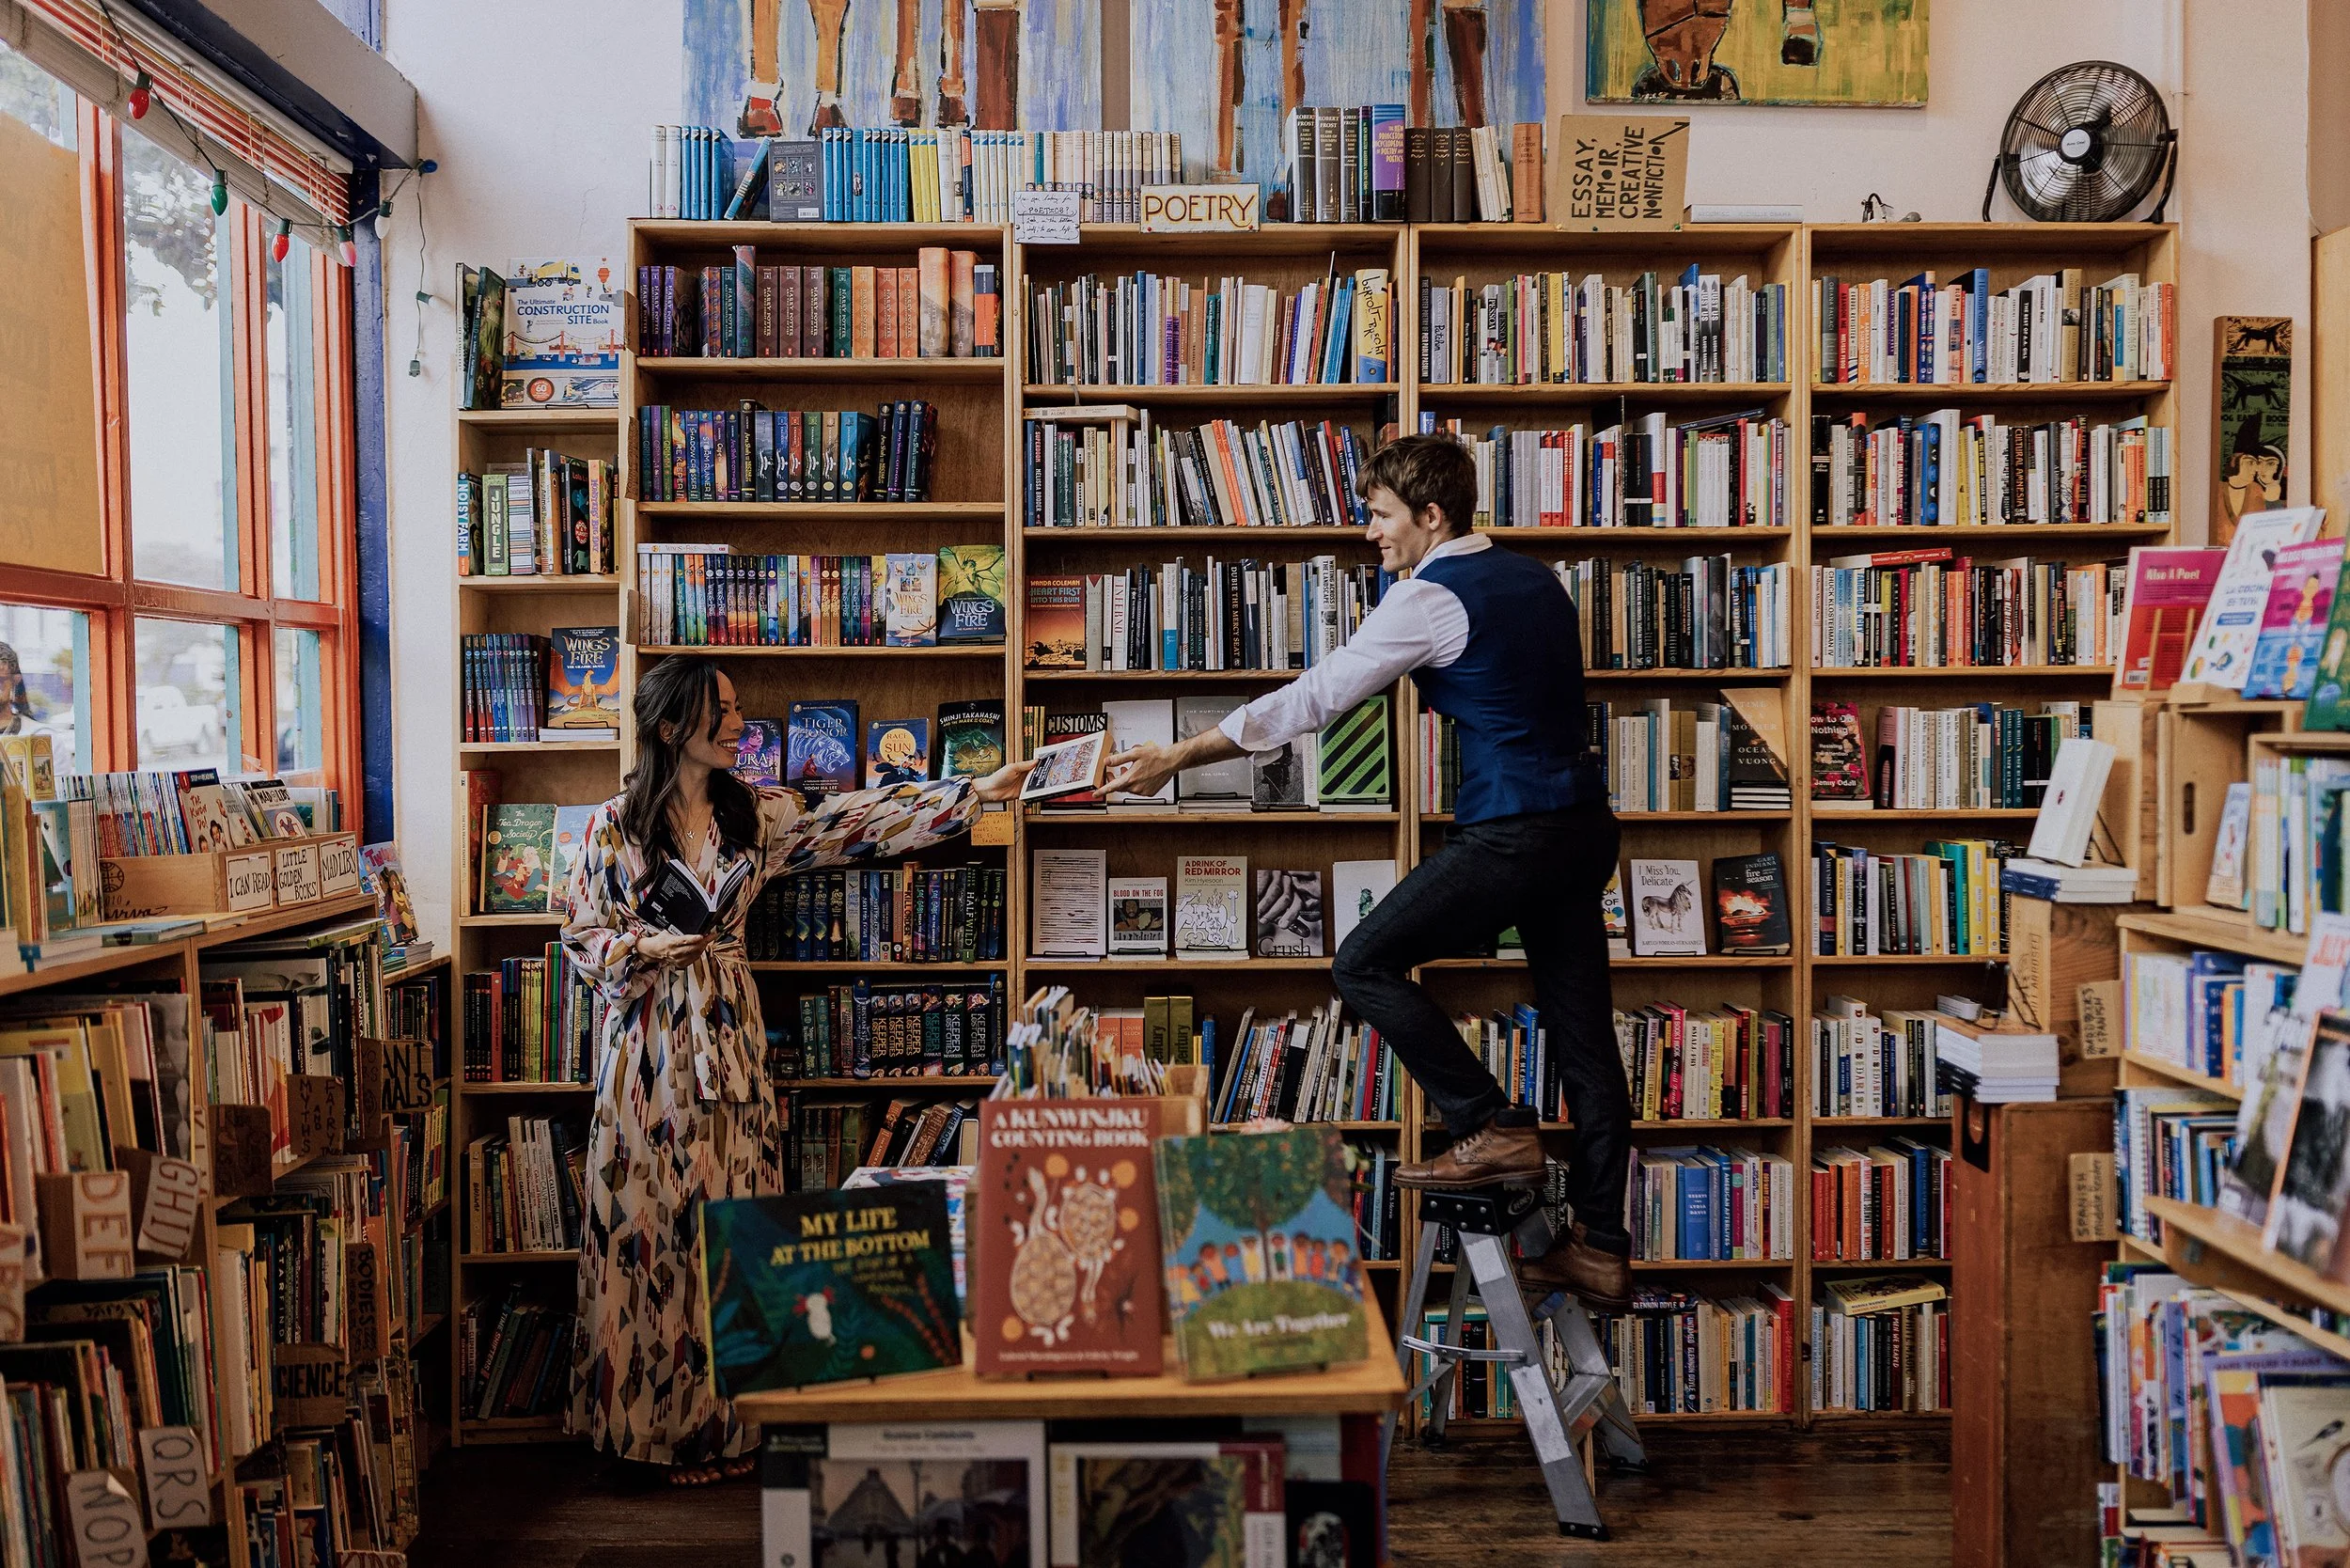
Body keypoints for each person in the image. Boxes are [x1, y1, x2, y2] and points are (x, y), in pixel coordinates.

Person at [1104, 433, 1631, 1311]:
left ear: (1432, 516)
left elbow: (1314, 699)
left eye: (1382, 516)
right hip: (1584, 827)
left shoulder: (1430, 597)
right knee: (1586, 1041)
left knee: (1360, 963)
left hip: (1512, 834)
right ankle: (1603, 1246)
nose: (1369, 534)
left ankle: (1491, 1124)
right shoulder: (1539, 579)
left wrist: (1181, 755)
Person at [562, 656, 1032, 1483]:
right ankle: (648, 1432)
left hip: (731, 1032)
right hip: (647, 1043)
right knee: (644, 1224)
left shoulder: (759, 815)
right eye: (724, 712)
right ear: (672, 727)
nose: (741, 724)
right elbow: (578, 934)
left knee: (734, 1219)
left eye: (739, 709)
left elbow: (859, 817)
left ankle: (729, 1428)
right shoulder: (613, 826)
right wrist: (639, 947)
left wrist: (974, 795)